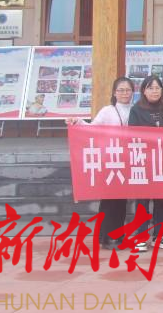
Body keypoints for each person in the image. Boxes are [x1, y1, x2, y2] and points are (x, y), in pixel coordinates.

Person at [66, 77, 134, 249]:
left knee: (121, 201)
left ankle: (118, 235)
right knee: (109, 200)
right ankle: (106, 237)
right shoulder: (107, 111)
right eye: (121, 90)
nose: (124, 93)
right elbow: (92, 129)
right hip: (110, 160)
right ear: (114, 93)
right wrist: (78, 122)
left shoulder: (135, 110)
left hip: (127, 160)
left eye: (128, 90)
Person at [128, 76, 163, 252]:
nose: (154, 91)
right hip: (143, 161)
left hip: (162, 161)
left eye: (157, 88)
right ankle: (141, 235)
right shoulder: (136, 110)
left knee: (161, 201)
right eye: (150, 88)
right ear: (144, 91)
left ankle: (160, 235)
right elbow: (132, 135)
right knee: (142, 200)